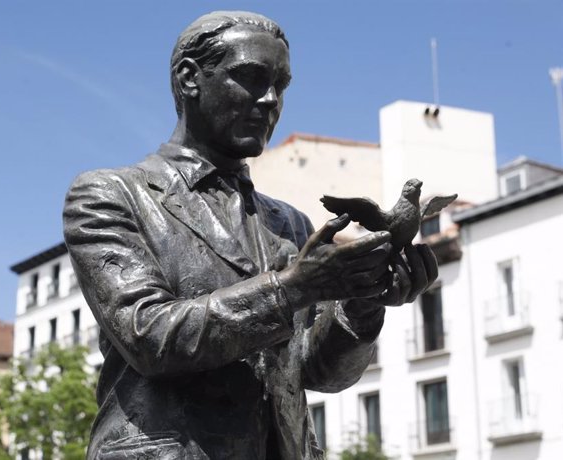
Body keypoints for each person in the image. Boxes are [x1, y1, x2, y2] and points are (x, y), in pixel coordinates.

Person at [63, 11, 437, 460]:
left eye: (281, 85)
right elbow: (150, 337)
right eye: (252, 78)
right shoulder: (112, 194)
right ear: (190, 79)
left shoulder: (290, 223)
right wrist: (298, 286)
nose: (270, 100)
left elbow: (319, 372)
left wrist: (362, 302)